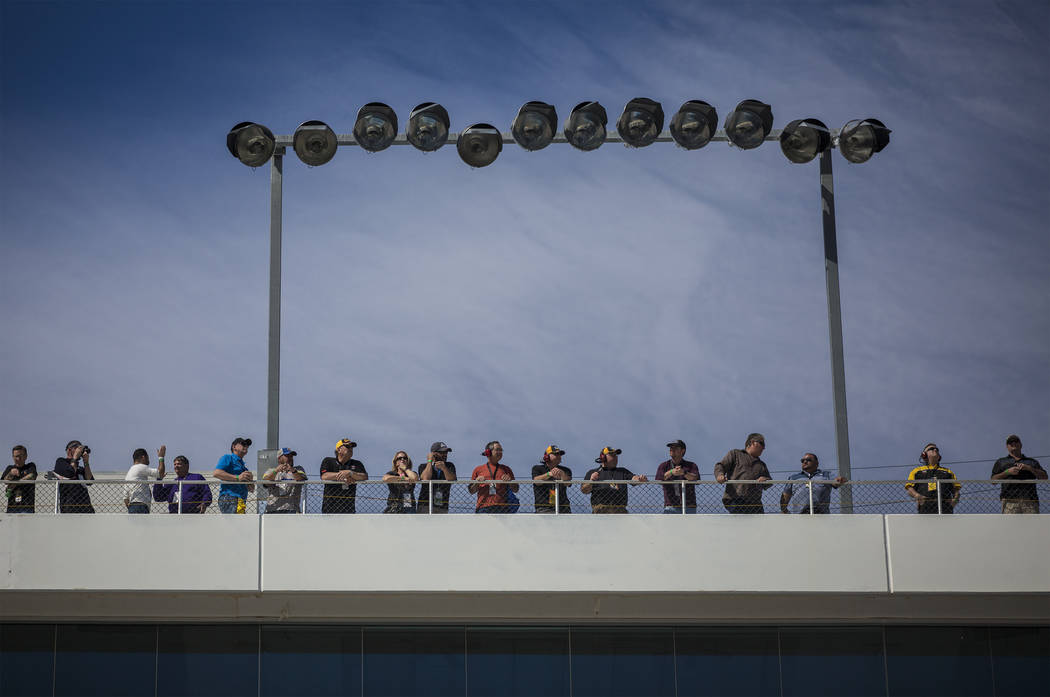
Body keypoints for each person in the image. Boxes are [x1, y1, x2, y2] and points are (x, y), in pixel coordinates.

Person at [714, 433, 772, 514]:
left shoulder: (762, 465)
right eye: (761, 443)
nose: (763, 448)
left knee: (759, 525)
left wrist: (766, 480)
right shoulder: (735, 454)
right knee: (740, 523)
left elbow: (770, 481)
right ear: (752, 442)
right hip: (735, 498)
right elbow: (720, 465)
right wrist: (720, 475)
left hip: (755, 503)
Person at [581, 447, 648, 514]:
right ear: (603, 457)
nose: (615, 457)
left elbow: (634, 478)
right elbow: (584, 490)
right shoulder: (593, 472)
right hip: (600, 511)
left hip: (620, 511)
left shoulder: (622, 471)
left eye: (616, 455)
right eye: (612, 455)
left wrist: (639, 479)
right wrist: (591, 481)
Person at [991, 435, 1046, 514]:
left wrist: (1029, 468)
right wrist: (1007, 472)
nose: (1013, 443)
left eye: (1016, 441)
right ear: (1007, 446)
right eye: (1010, 442)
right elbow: (993, 481)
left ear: (1021, 444)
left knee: (1033, 526)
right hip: (1009, 501)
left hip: (1030, 501)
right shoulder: (1001, 462)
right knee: (1010, 526)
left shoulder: (1031, 462)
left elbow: (1044, 477)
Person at [779, 453, 846, 514]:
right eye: (802, 461)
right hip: (799, 516)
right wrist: (784, 510)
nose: (805, 462)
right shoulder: (794, 478)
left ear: (816, 463)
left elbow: (836, 482)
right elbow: (786, 495)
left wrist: (840, 480)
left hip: (822, 515)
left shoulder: (826, 475)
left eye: (808, 460)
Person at [906, 443, 960, 514]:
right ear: (924, 455)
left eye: (937, 449)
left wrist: (955, 500)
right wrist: (917, 496)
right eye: (931, 449)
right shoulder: (916, 471)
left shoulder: (948, 471)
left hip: (945, 506)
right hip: (925, 506)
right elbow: (909, 488)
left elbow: (956, 488)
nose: (935, 450)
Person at [320, 437, 368, 514]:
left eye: (352, 447)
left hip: (349, 509)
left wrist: (350, 473)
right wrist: (345, 476)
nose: (351, 448)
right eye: (348, 446)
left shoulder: (357, 463)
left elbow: (364, 476)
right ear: (339, 450)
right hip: (329, 508)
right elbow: (324, 476)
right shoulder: (328, 461)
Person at [469, 441, 518, 513]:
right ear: (488, 452)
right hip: (483, 507)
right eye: (498, 450)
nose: (500, 452)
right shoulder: (478, 469)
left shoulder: (506, 469)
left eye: (501, 450)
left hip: (502, 508)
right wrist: (476, 482)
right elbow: (471, 491)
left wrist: (510, 481)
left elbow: (516, 489)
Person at [655, 439, 700, 513]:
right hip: (670, 506)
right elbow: (659, 479)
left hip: (689, 506)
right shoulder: (663, 466)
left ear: (683, 451)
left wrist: (684, 473)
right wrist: (672, 472)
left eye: (675, 448)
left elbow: (696, 478)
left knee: (690, 525)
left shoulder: (691, 465)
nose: (672, 450)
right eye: (671, 448)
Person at [51, 440, 95, 514]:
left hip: (86, 507)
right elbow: (69, 473)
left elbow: (90, 481)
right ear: (69, 450)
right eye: (77, 448)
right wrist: (74, 457)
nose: (79, 451)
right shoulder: (61, 462)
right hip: (69, 506)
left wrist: (86, 462)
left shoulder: (80, 468)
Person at [213, 437, 254, 514]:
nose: (246, 446)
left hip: (240, 500)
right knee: (234, 524)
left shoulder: (243, 467)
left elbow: (251, 489)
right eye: (243, 444)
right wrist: (238, 477)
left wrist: (250, 481)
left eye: (247, 445)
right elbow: (216, 473)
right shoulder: (228, 458)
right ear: (234, 446)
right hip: (229, 497)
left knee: (238, 524)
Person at [262, 448, 307, 514]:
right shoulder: (270, 471)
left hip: (292, 509)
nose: (290, 458)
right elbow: (266, 482)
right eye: (287, 456)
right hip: (273, 510)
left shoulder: (298, 469)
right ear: (279, 458)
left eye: (291, 456)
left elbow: (300, 479)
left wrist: (292, 470)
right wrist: (276, 471)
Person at [417, 441, 457, 514]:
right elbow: (425, 478)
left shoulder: (449, 466)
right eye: (442, 452)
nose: (445, 454)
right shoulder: (423, 466)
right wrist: (429, 461)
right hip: (424, 506)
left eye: (446, 452)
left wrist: (444, 468)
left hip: (442, 506)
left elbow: (452, 479)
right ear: (434, 454)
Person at [123, 446, 166, 514]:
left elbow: (125, 499)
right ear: (143, 457)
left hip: (132, 506)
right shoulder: (140, 467)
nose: (149, 460)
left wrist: (132, 508)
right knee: (143, 524)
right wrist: (161, 457)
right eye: (148, 458)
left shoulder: (128, 474)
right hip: (141, 505)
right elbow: (160, 473)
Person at [532, 445, 572, 514]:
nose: (559, 456)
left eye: (560, 454)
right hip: (544, 507)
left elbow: (568, 483)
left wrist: (562, 474)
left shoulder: (565, 470)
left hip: (563, 508)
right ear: (546, 456)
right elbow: (536, 481)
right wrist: (549, 474)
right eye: (556, 454)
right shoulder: (537, 468)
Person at [3, 445, 37, 513]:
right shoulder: (10, 468)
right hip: (12, 506)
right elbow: (5, 481)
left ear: (26, 456)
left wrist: (15, 483)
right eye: (16, 456)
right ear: (13, 457)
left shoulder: (30, 466)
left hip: (27, 506)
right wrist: (11, 473)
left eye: (20, 456)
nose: (18, 459)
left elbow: (32, 476)